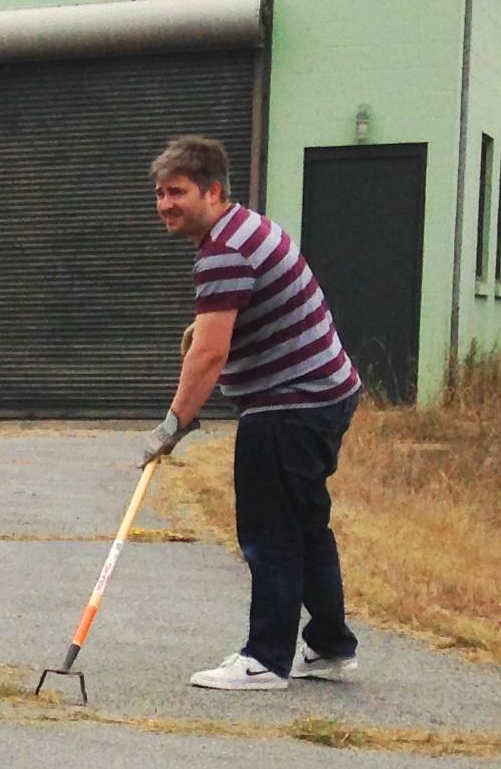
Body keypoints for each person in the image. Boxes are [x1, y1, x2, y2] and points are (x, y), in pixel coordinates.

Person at [141, 134, 364, 691]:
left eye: (179, 193)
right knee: (306, 526)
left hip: (290, 404)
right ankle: (332, 646)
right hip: (325, 393)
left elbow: (210, 354)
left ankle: (265, 658)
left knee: (270, 533)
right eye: (161, 194)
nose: (166, 204)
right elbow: (229, 323)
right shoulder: (245, 228)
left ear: (213, 192)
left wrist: (172, 425)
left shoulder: (225, 252)